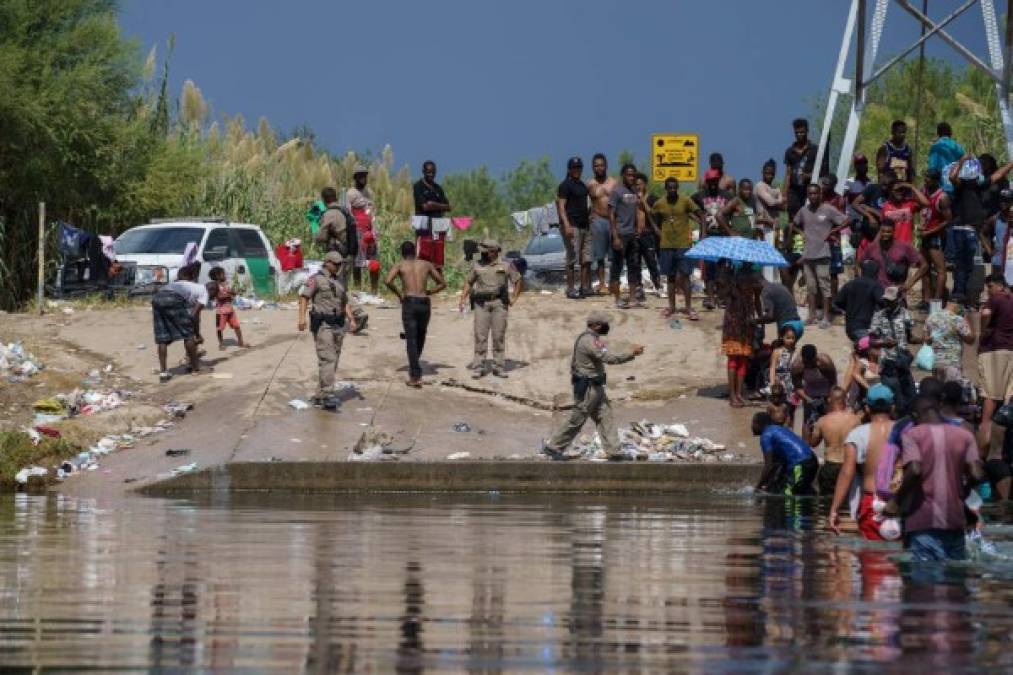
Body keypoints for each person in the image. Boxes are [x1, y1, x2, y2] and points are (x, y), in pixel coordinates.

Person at [886, 396, 984, 562]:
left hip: (923, 522)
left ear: (916, 416)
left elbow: (915, 470)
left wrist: (896, 501)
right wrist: (962, 495)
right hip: (955, 522)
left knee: (926, 581)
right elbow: (977, 474)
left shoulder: (912, 435)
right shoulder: (965, 435)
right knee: (955, 580)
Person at [542, 311, 644, 460]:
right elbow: (608, 358)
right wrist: (631, 353)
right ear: (596, 326)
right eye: (604, 325)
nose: (606, 327)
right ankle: (554, 447)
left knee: (606, 417)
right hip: (588, 388)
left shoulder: (592, 339)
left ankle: (614, 452)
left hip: (595, 387)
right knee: (577, 419)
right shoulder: (589, 341)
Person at [828, 384, 896, 540]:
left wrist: (834, 510)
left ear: (866, 408)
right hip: (901, 502)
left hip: (873, 502)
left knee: (872, 558)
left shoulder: (857, 435)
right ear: (892, 407)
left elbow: (847, 472)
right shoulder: (905, 431)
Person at [949, 153, 1013, 300]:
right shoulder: (962, 185)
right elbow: (952, 177)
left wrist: (1011, 164)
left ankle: (970, 297)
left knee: (973, 266)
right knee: (961, 264)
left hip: (974, 230)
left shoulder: (980, 184)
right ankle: (959, 294)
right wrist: (962, 160)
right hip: (961, 229)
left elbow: (998, 174)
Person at [297, 251, 358, 408]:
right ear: (327, 262)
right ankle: (327, 393)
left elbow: (344, 303)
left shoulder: (339, 282)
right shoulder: (315, 279)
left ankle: (321, 393)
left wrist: (351, 319)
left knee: (334, 359)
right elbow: (304, 298)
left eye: (340, 264)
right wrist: (301, 319)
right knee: (327, 358)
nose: (338, 267)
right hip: (323, 324)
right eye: (336, 264)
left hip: (338, 324)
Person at [384, 241, 446, 388]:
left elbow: (387, 281)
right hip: (424, 302)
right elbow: (442, 283)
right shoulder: (426, 265)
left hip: (410, 302)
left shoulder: (400, 265)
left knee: (411, 338)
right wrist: (430, 292)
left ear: (402, 253)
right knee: (421, 334)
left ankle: (415, 375)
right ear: (415, 252)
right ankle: (415, 364)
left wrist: (399, 294)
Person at [459, 239, 522, 378]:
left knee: (498, 336)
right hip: (481, 305)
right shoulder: (477, 265)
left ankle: (498, 367)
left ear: (494, 252)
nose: (484, 253)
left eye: (487, 251)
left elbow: (517, 280)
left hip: (499, 304)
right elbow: (469, 282)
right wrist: (463, 298)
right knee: (480, 336)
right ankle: (479, 366)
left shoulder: (506, 265)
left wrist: (514, 298)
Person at [791, 183, 848, 329]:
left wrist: (833, 231)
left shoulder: (828, 209)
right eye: (810, 194)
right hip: (808, 254)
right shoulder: (803, 210)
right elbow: (794, 224)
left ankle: (826, 317)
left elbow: (847, 220)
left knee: (825, 287)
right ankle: (811, 316)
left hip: (823, 253)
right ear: (807, 195)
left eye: (815, 193)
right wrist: (802, 233)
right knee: (810, 287)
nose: (813, 196)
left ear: (820, 194)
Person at [653, 177, 704, 319]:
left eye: (674, 187)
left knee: (685, 276)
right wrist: (657, 230)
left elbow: (701, 214)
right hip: (667, 245)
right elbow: (651, 216)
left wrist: (703, 234)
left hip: (683, 244)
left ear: (677, 188)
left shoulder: (685, 201)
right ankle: (672, 307)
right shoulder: (660, 203)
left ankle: (688, 308)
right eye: (669, 187)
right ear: (666, 188)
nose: (672, 190)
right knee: (670, 277)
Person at [151, 264, 206, 382]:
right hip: (174, 299)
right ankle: (196, 369)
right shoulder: (201, 288)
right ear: (192, 277)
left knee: (162, 338)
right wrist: (197, 334)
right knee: (188, 335)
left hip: (157, 298)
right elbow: (194, 315)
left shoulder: (172, 284)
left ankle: (163, 373)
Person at [871, 286, 920, 414]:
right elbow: (870, 341)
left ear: (898, 299)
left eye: (891, 300)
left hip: (903, 363)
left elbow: (910, 337)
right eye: (886, 300)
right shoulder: (879, 316)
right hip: (888, 364)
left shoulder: (905, 314)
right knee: (894, 400)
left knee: (911, 398)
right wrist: (883, 343)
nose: (888, 303)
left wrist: (922, 340)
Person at [978, 273, 1013, 450]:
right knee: (1008, 398)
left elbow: (985, 314)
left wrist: (983, 331)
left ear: (997, 285)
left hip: (994, 349)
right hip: (1011, 350)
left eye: (989, 286)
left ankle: (983, 446)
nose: (988, 290)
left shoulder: (996, 298)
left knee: (990, 398)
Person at [692, 169, 734, 309]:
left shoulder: (727, 195)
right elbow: (687, 207)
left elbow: (736, 209)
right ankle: (710, 298)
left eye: (714, 182)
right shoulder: (700, 196)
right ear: (706, 182)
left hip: (723, 236)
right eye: (710, 182)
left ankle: (721, 298)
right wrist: (699, 220)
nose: (712, 185)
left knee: (722, 268)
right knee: (709, 269)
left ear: (718, 181)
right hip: (709, 235)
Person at [808, 387, 862, 495]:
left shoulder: (823, 421)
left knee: (827, 502)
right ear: (845, 399)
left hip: (830, 466)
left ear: (829, 400)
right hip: (848, 466)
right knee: (848, 500)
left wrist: (808, 430)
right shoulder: (855, 420)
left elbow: (813, 444)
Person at [753, 411, 818, 496]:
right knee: (800, 489)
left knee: (787, 494)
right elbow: (777, 465)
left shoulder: (766, 435)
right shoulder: (779, 429)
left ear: (759, 424)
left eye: (753, 423)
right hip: (811, 460)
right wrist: (769, 485)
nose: (752, 426)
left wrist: (757, 487)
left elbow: (769, 465)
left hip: (800, 463)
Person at [608, 163, 645, 309]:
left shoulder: (635, 192)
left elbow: (636, 210)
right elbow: (611, 214)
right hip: (620, 234)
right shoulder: (617, 192)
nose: (631, 177)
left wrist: (637, 227)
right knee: (617, 267)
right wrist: (615, 236)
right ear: (623, 175)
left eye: (633, 175)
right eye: (629, 174)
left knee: (633, 267)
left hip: (632, 235)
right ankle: (617, 299)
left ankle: (631, 298)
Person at [857, 219, 927, 292]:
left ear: (894, 232)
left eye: (888, 232)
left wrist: (909, 284)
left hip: (896, 292)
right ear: (879, 231)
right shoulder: (872, 247)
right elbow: (858, 263)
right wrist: (864, 283)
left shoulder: (903, 246)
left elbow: (924, 265)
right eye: (882, 231)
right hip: (877, 292)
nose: (885, 234)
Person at [556, 156, 592, 299]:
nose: (577, 170)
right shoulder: (565, 185)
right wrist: (566, 225)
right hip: (572, 225)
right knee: (572, 258)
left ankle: (583, 287)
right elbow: (561, 206)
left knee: (586, 259)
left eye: (579, 167)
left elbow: (586, 204)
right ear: (569, 169)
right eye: (574, 168)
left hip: (585, 226)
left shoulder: (583, 185)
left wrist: (590, 216)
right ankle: (570, 289)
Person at [722, 271, 760, 408]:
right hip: (733, 327)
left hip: (746, 326)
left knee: (742, 360)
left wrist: (757, 321)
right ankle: (733, 395)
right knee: (733, 360)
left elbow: (756, 303)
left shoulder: (750, 288)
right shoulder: (732, 287)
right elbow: (723, 293)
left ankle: (738, 394)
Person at [919, 169, 952, 305]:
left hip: (935, 236)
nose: (925, 181)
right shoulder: (923, 191)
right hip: (924, 235)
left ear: (936, 181)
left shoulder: (942, 197)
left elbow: (948, 220)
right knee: (924, 268)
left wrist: (930, 231)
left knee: (940, 270)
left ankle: (937, 301)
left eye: (928, 179)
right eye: (925, 177)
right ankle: (926, 300)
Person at [346, 164, 380, 294]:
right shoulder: (350, 193)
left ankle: (374, 290)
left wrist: (374, 230)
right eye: (360, 176)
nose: (363, 179)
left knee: (374, 261)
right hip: (357, 231)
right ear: (355, 178)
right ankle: (358, 289)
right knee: (357, 262)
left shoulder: (369, 192)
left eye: (365, 176)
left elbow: (372, 211)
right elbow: (348, 213)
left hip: (370, 230)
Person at [587, 154, 618, 294]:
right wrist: (587, 216)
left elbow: (620, 201)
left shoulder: (614, 182)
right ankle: (601, 284)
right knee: (599, 256)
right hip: (597, 220)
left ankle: (613, 282)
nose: (599, 168)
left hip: (612, 220)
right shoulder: (590, 184)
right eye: (596, 165)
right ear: (593, 167)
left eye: (601, 165)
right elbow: (582, 203)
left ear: (606, 166)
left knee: (614, 255)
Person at [413, 160, 452, 271]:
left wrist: (432, 204)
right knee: (423, 256)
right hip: (423, 227)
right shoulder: (418, 186)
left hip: (438, 226)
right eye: (428, 172)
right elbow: (425, 207)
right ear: (423, 172)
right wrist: (439, 206)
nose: (431, 174)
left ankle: (440, 284)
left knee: (438, 257)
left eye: (433, 172)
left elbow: (448, 206)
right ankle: (420, 284)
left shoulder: (438, 188)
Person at [924, 297, 974, 382]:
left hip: (936, 362)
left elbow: (926, 339)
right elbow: (970, 339)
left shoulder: (931, 317)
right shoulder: (957, 319)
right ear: (960, 306)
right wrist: (967, 319)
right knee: (951, 392)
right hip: (952, 362)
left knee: (939, 391)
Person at [791, 343, 837, 436]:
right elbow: (798, 387)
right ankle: (805, 446)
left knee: (828, 421)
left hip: (826, 389)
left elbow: (833, 381)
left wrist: (829, 398)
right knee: (807, 422)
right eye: (806, 362)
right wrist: (809, 400)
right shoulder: (797, 366)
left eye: (811, 362)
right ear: (803, 358)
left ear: (816, 357)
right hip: (809, 392)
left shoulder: (825, 362)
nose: (809, 364)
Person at [833, 259, 884, 341]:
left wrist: (850, 308)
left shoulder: (850, 284)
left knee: (861, 350)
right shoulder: (875, 285)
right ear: (876, 272)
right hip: (865, 329)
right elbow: (882, 303)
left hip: (850, 328)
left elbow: (837, 303)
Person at [869, 179, 930, 246]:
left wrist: (911, 186)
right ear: (891, 191)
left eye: (901, 190)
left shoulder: (909, 203)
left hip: (907, 246)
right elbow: (882, 228)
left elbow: (926, 203)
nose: (900, 192)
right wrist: (874, 244)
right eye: (897, 190)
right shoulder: (886, 206)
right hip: (891, 247)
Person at [206, 266, 249, 351]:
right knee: (219, 328)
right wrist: (228, 295)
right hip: (220, 312)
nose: (224, 275)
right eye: (223, 273)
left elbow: (232, 292)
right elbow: (216, 296)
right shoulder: (215, 286)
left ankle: (240, 342)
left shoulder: (226, 284)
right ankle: (221, 344)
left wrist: (233, 292)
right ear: (217, 276)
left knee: (237, 326)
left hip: (230, 310)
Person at [634, 172, 662, 298]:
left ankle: (658, 285)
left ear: (645, 185)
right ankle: (638, 288)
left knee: (651, 261)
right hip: (635, 235)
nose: (638, 187)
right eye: (636, 185)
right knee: (635, 262)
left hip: (648, 235)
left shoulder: (652, 198)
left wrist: (643, 201)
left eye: (640, 184)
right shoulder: (632, 198)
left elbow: (653, 213)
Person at [768, 323, 800, 424]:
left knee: (791, 410)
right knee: (777, 408)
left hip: (792, 385)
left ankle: (790, 428)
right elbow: (772, 368)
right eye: (788, 338)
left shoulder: (797, 352)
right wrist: (772, 383)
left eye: (793, 338)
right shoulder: (777, 352)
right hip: (779, 385)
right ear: (782, 337)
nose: (791, 340)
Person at [314, 186, 354, 260]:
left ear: (324, 200)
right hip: (350, 251)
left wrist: (315, 228)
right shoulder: (345, 210)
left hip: (339, 253)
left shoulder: (329, 214)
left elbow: (321, 237)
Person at [842, 335, 882, 406]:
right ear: (868, 350)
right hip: (869, 398)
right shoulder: (863, 363)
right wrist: (869, 388)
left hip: (880, 395)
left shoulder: (881, 360)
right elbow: (855, 374)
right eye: (876, 347)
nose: (880, 348)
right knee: (855, 382)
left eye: (880, 345)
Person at [984, 190, 1013, 279]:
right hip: (998, 261)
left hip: (1011, 260)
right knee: (998, 287)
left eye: (1006, 200)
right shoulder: (995, 219)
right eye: (1001, 200)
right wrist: (989, 251)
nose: (1003, 203)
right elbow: (982, 233)